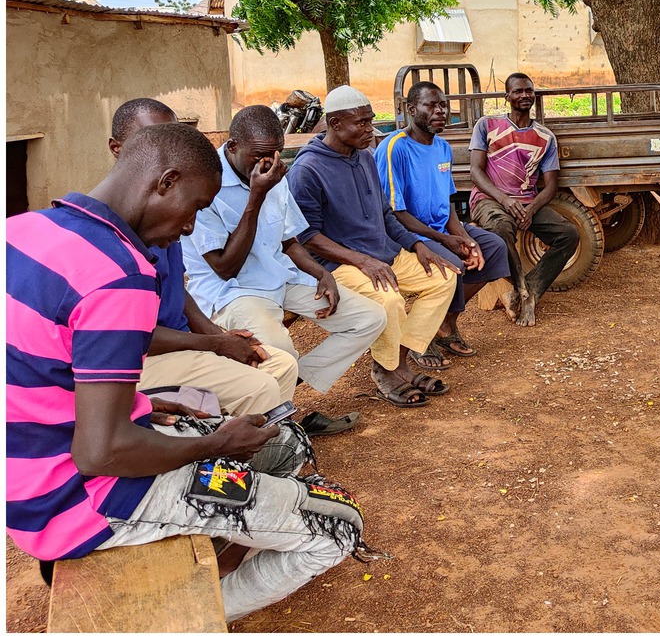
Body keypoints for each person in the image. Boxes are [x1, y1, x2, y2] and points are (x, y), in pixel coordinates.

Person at [6, 121, 363, 621]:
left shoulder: (21, 229)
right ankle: (187, 616)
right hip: (83, 500)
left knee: (287, 443)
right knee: (340, 526)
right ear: (166, 181)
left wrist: (143, 404)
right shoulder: (120, 275)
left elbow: (37, 371)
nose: (192, 227)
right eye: (196, 208)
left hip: (27, 479)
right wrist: (215, 445)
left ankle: (223, 537)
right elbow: (99, 452)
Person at [183, 105, 388, 437]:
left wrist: (322, 274)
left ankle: (283, 397)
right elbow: (224, 267)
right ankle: (278, 429)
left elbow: (290, 240)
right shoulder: (207, 183)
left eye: (275, 153)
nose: (268, 162)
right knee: (282, 351)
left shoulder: (271, 172)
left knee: (369, 318)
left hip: (279, 277)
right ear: (233, 146)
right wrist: (256, 196)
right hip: (233, 292)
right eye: (259, 155)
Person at [109, 99, 299, 416]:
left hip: (179, 342)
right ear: (117, 148)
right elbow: (131, 336)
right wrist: (214, 344)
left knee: (279, 362)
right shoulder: (118, 231)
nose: (188, 227)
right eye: (151, 140)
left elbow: (175, 290)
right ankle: (236, 452)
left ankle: (249, 445)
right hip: (140, 358)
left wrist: (216, 334)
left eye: (173, 139)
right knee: (260, 384)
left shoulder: (164, 209)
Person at [286, 86, 458, 409]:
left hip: (381, 254)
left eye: (370, 121)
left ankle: (398, 361)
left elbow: (385, 215)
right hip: (340, 265)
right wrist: (363, 261)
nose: (370, 130)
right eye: (362, 123)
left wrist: (417, 244)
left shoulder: (365, 157)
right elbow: (307, 237)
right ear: (335, 124)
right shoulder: (307, 170)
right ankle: (387, 371)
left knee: (443, 277)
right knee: (388, 300)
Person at [377, 81, 515, 360]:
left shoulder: (443, 147)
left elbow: (448, 203)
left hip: (441, 231)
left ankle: (445, 325)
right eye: (432, 105)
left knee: (493, 249)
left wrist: (464, 238)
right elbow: (394, 212)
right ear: (411, 109)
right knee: (452, 266)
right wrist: (446, 241)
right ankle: (420, 336)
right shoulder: (394, 147)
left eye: (443, 104)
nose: (440, 111)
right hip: (407, 235)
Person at [467, 72, 579, 327]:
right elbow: (475, 172)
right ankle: (523, 292)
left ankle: (530, 290)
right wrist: (505, 201)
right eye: (518, 91)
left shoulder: (545, 136)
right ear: (507, 96)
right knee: (500, 229)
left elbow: (551, 186)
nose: (524, 95)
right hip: (491, 199)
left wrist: (531, 209)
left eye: (528, 90)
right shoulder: (487, 125)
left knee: (569, 234)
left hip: (527, 203)